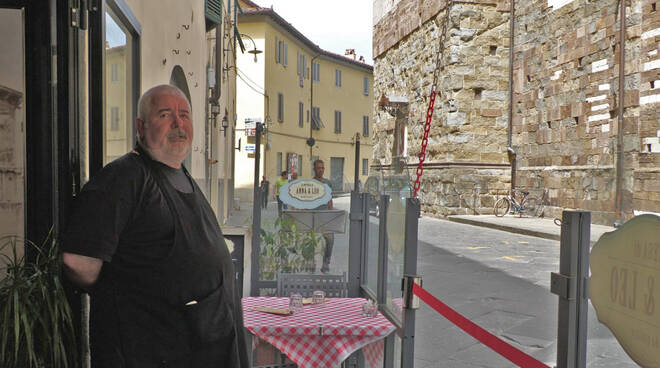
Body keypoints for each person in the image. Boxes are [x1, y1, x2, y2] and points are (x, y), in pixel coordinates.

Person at [60, 85, 249, 368]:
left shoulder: (179, 173)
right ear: (141, 126)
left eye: (184, 115)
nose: (178, 124)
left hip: (204, 344)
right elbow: (77, 262)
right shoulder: (123, 178)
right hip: (152, 350)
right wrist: (133, 298)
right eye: (165, 115)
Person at [311, 159, 334, 273]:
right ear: (314, 169)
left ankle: (326, 264)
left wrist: (331, 214)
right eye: (319, 168)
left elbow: (330, 200)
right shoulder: (310, 183)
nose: (321, 170)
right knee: (313, 242)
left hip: (326, 218)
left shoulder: (328, 183)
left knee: (330, 240)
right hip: (314, 217)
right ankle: (312, 264)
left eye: (322, 168)